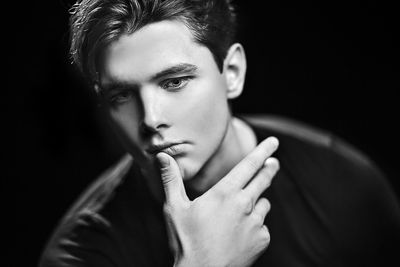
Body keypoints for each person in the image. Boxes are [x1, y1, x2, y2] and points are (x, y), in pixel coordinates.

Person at [40, 0, 400, 266]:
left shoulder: (346, 189)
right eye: (121, 96)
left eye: (174, 81)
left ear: (232, 73)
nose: (150, 118)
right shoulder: (81, 254)